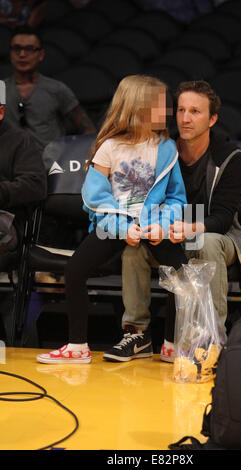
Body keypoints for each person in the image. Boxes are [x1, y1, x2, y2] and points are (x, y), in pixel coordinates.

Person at [36, 74, 188, 365]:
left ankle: (171, 343)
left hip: (153, 223)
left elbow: (176, 198)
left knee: (179, 273)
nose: (168, 112)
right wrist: (123, 228)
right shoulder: (108, 146)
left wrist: (162, 225)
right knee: (75, 270)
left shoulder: (166, 147)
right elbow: (94, 197)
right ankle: (77, 345)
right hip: (115, 225)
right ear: (138, 107)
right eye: (161, 105)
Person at [119, 80, 241, 363]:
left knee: (204, 243)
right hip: (167, 229)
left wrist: (192, 228)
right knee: (134, 249)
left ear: (212, 119)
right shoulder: (160, 150)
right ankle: (137, 334)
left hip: (218, 234)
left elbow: (222, 216)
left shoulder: (230, 157)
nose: (185, 118)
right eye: (180, 110)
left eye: (195, 111)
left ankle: (209, 338)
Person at [4, 25, 96, 153]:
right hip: (9, 166)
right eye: (16, 49)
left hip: (51, 165)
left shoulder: (56, 89)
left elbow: (87, 127)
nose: (22, 54)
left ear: (41, 55)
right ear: (10, 53)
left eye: (29, 49)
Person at [0, 79, 47, 254]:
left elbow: (35, 185)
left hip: (6, 220)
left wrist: (2, 191)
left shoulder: (19, 140)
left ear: (1, 112)